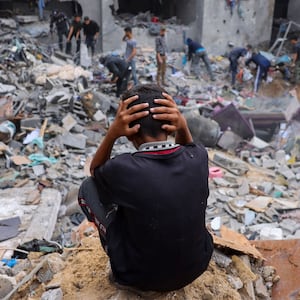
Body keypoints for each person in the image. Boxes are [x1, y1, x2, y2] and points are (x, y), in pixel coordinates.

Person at [78, 84, 213, 294]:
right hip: (195, 267)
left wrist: (112, 133)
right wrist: (182, 127)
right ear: (171, 123)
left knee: (88, 189)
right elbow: (189, 149)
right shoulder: (199, 157)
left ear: (129, 132)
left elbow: (95, 173)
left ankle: (116, 249)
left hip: (137, 276)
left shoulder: (122, 168)